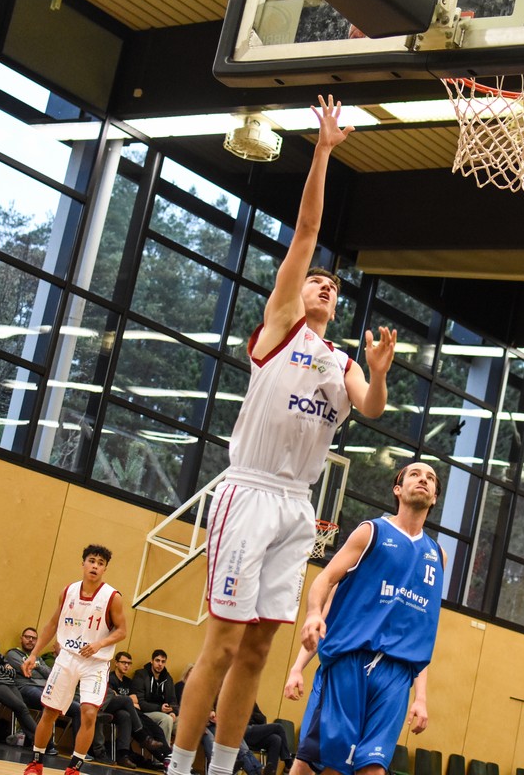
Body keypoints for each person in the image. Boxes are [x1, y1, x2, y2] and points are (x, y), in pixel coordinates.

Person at [167, 93, 396, 775]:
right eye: (316, 282)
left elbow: (373, 409)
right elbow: (305, 231)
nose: (323, 287)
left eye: (331, 286)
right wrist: (321, 152)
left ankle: (227, 761)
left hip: (298, 505)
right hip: (249, 491)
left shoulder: (343, 362)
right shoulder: (280, 330)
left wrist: (379, 373)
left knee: (260, 651)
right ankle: (181, 768)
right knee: (222, 642)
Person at [298, 462, 444, 775]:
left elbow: (422, 633)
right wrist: (313, 614)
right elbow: (325, 580)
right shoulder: (372, 531)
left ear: (434, 498)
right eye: (415, 474)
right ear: (398, 489)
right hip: (350, 660)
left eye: (431, 478)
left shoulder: (437, 556)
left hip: (396, 674)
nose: (424, 479)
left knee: (374, 768)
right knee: (325, 766)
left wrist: (421, 698)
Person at [22, 544, 127, 775]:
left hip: (96, 663)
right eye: (92, 561)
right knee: (49, 711)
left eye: (100, 563)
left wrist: (99, 643)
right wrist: (33, 654)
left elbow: (121, 631)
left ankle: (73, 768)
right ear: (83, 563)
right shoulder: (68, 591)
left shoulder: (112, 597)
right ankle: (35, 763)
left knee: (89, 712)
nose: (95, 566)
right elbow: (52, 625)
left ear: (104, 569)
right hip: (67, 658)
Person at [6, 627, 79, 756]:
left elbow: (51, 675)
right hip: (26, 688)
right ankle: (44, 745)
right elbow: (26, 671)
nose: (30, 640)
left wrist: (37, 666)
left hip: (44, 689)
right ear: (21, 639)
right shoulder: (13, 654)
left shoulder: (39, 659)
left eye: (34, 638)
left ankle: (78, 750)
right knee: (49, 704)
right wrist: (36, 669)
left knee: (78, 708)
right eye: (27, 637)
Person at [106, 651, 168, 769]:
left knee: (129, 716)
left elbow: (136, 700)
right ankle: (143, 737)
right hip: (109, 708)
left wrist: (125, 699)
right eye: (123, 662)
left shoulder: (128, 682)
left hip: (124, 712)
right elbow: (113, 697)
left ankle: (123, 756)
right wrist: (126, 699)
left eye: (129, 663)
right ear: (116, 663)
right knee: (128, 703)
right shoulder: (110, 677)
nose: (126, 666)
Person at [136, 649, 178, 745]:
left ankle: (179, 757)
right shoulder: (141, 674)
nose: (160, 664)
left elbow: (173, 701)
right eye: (157, 660)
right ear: (152, 661)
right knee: (167, 719)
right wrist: (160, 708)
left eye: (163, 662)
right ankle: (164, 755)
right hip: (146, 713)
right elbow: (140, 702)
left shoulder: (168, 678)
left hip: (165, 712)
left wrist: (172, 711)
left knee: (186, 724)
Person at [244, 702, 293, 775]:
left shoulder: (250, 701)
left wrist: (254, 716)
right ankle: (288, 763)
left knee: (276, 739)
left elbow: (262, 719)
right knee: (278, 727)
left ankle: (271, 772)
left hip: (252, 732)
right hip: (241, 731)